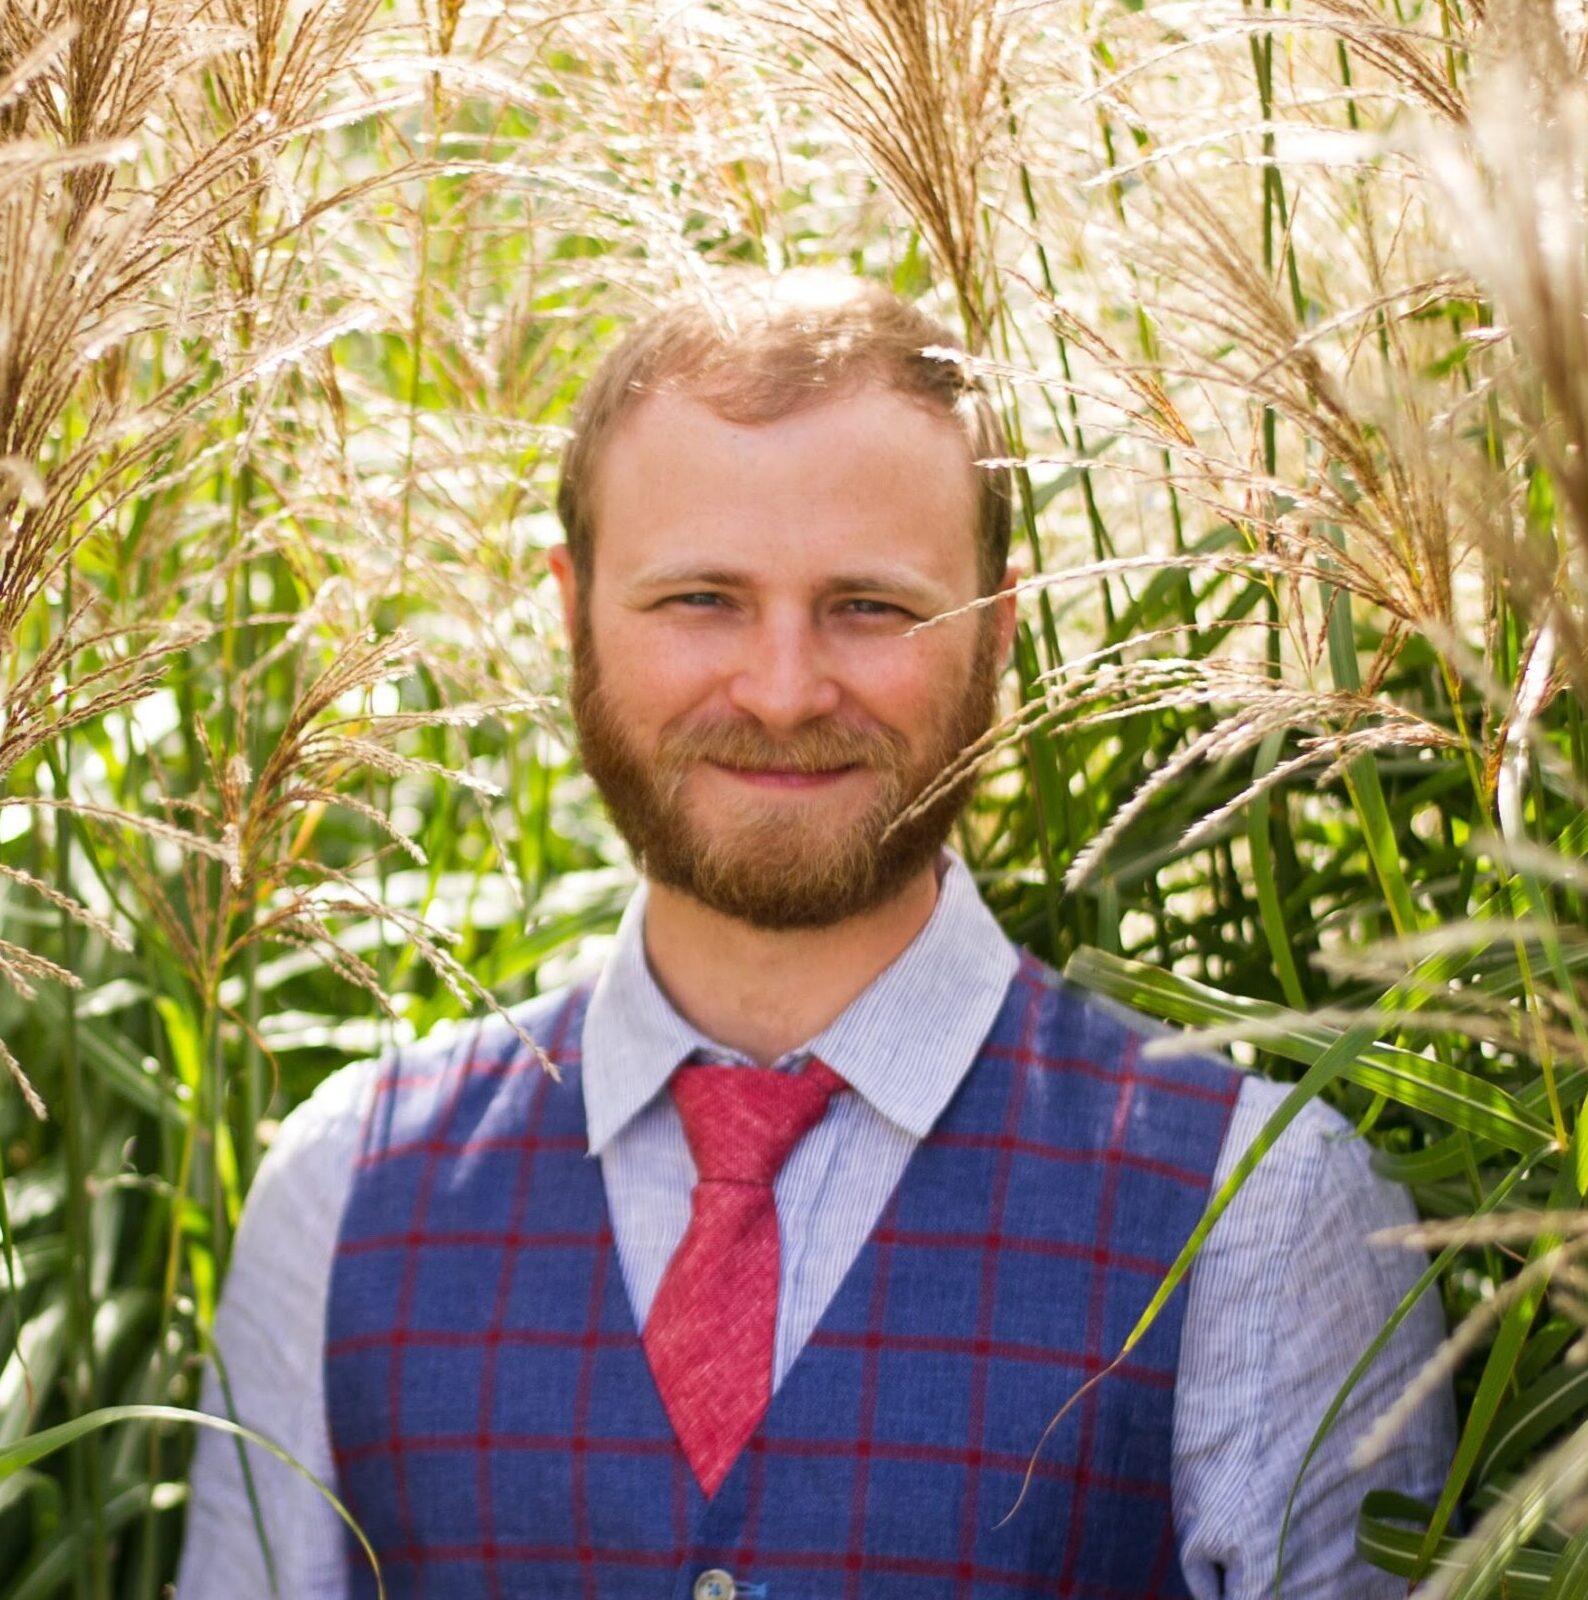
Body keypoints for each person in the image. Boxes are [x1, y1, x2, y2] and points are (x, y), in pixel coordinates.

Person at [175, 273, 1453, 1600]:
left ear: (998, 632)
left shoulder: (1265, 1216)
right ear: (571, 611)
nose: (783, 693)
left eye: (871, 607)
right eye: (700, 599)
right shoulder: (340, 1198)